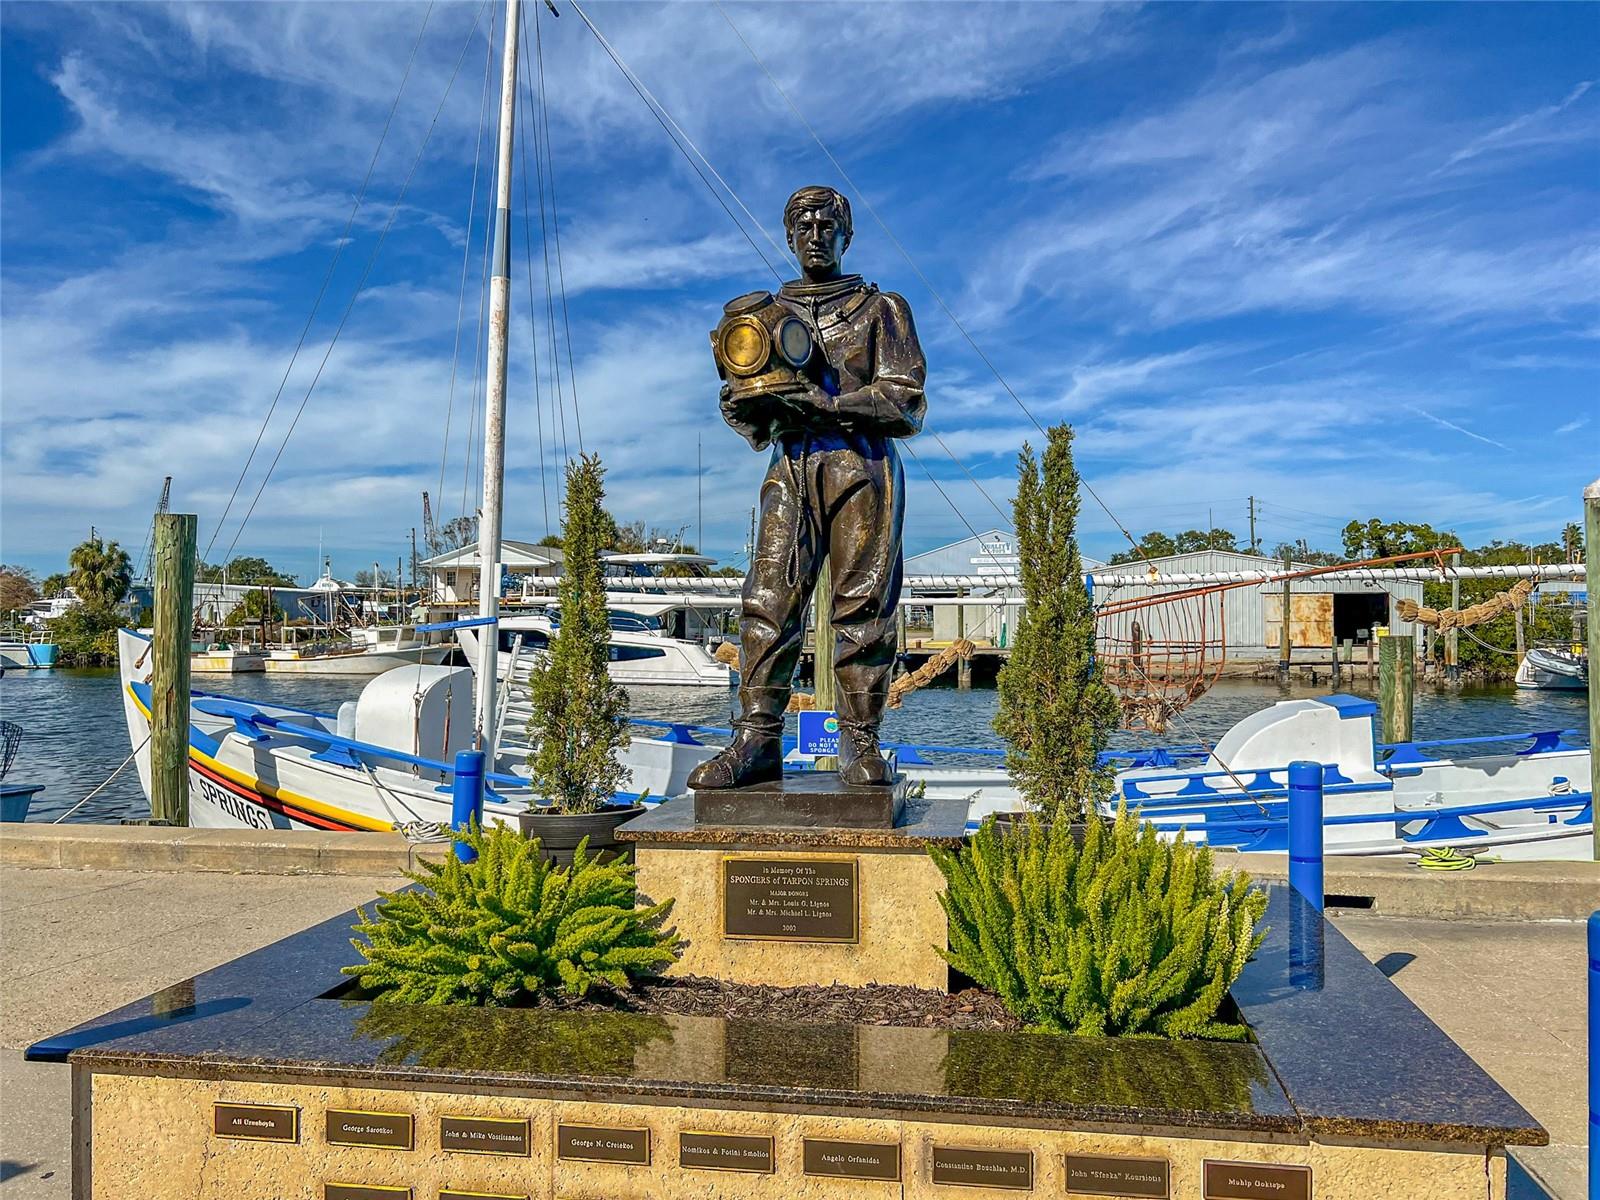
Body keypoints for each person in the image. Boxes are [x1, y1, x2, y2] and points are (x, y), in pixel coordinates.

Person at [689, 184, 926, 790]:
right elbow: (759, 422)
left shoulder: (880, 310)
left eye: (827, 225)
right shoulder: (768, 316)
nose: (815, 235)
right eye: (803, 226)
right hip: (792, 464)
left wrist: (829, 401)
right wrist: (742, 404)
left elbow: (905, 403)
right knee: (767, 597)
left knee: (862, 602)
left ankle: (860, 741)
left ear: (847, 236)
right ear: (789, 237)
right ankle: (757, 738)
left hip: (859, 463)